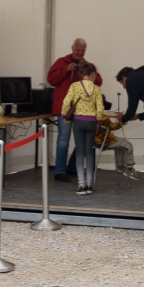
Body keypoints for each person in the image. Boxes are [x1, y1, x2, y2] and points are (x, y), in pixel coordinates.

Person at [47, 39, 103, 182]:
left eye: (82, 50)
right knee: (63, 139)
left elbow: (98, 81)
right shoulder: (62, 62)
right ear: (72, 48)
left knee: (80, 141)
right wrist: (66, 70)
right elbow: (51, 80)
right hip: (65, 109)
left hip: (81, 112)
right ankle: (59, 171)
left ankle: (71, 167)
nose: (80, 53)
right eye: (78, 50)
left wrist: (86, 72)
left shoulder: (86, 65)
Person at [60, 62, 105, 195]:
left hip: (78, 122)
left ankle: (81, 184)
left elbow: (66, 102)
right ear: (93, 74)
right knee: (89, 152)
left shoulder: (74, 86)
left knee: (79, 152)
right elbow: (100, 108)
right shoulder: (96, 89)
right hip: (91, 122)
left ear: (81, 74)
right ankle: (90, 184)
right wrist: (97, 121)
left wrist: (64, 115)